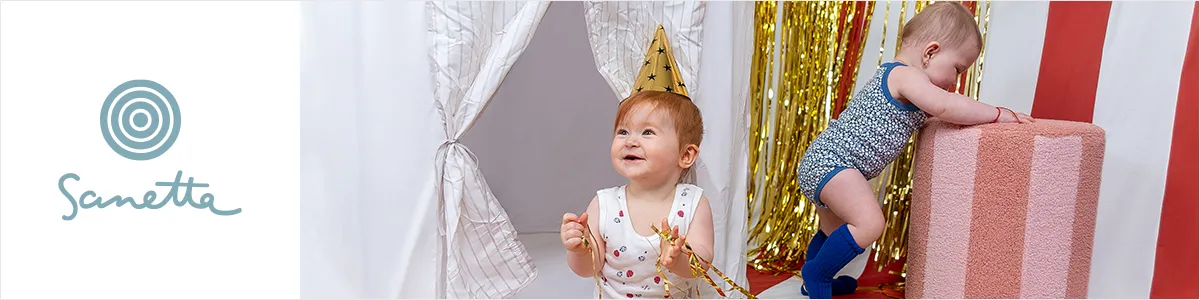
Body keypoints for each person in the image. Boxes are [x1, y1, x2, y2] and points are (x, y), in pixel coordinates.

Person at [796, 2, 1034, 298]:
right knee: (869, 224)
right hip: (833, 162)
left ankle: (815, 277)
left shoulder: (907, 83)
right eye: (957, 69)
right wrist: (997, 113)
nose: (955, 82)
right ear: (930, 52)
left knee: (835, 230)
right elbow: (946, 106)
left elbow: (937, 111)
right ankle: (816, 275)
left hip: (824, 162)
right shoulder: (906, 76)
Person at [561, 91, 715, 298]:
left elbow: (702, 264)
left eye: (647, 132)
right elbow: (589, 268)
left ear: (685, 155)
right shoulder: (604, 204)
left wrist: (678, 260)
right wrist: (580, 250)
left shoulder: (692, 203)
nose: (630, 141)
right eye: (623, 131)